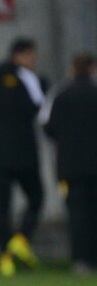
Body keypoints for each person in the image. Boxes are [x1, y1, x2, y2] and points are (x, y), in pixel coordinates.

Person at [0, 37, 48, 277]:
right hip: (22, 155)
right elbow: (41, 109)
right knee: (36, 196)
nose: (33, 61)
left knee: (3, 206)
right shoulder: (27, 78)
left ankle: (4, 257)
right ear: (20, 55)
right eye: (31, 56)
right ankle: (21, 240)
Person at [41, 53, 97, 274]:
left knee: (77, 213)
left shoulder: (60, 94)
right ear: (92, 68)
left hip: (69, 167)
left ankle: (80, 261)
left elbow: (47, 126)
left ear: (73, 69)